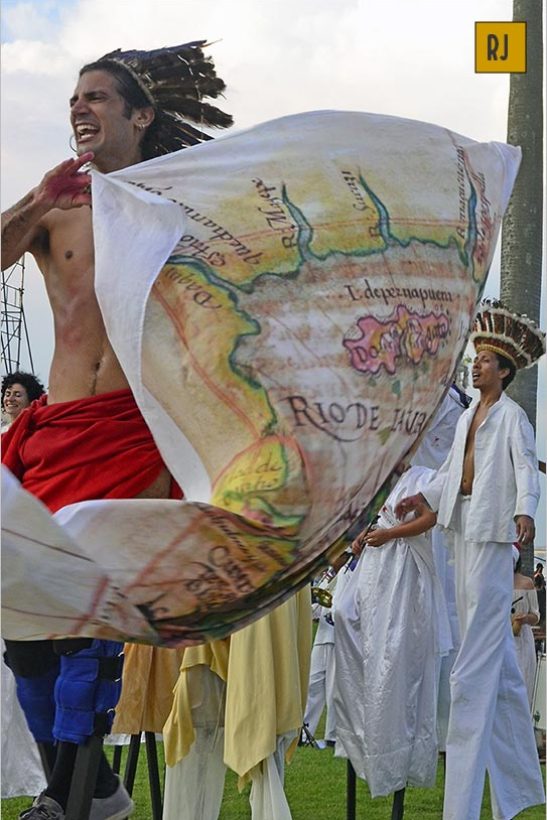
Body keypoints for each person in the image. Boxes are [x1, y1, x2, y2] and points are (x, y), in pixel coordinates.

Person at [1, 41, 232, 820]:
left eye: (98, 97)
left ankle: (61, 799)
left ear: (141, 115)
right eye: (75, 98)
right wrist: (36, 200)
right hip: (55, 432)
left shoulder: (178, 214)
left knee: (85, 622)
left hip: (133, 433)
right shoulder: (55, 210)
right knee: (25, 635)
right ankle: (93, 793)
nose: (80, 108)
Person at [395, 299, 546, 820]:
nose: (475, 364)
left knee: (471, 671)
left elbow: (526, 468)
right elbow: (450, 476)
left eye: (485, 359)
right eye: (475, 357)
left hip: (491, 540)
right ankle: (522, 793)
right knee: (499, 670)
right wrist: (424, 498)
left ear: (504, 370)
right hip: (460, 534)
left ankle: (458, 808)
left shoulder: (513, 416)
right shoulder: (466, 421)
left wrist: (526, 512)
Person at [333, 463, 450, 797]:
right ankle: (356, 729)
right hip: (374, 566)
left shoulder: (421, 477)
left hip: (402, 567)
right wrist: (361, 538)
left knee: (393, 655)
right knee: (343, 614)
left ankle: (395, 747)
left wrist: (389, 535)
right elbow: (370, 521)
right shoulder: (377, 480)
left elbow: (430, 518)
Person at [1, 371, 47, 799]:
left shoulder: (34, 440)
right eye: (7, 393)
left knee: (24, 684)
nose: (11, 398)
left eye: (18, 394)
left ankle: (39, 781)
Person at [512, 545, 540, 708]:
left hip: (522, 641)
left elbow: (536, 616)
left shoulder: (527, 583)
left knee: (523, 682)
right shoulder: (494, 582)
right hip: (502, 638)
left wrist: (524, 619)